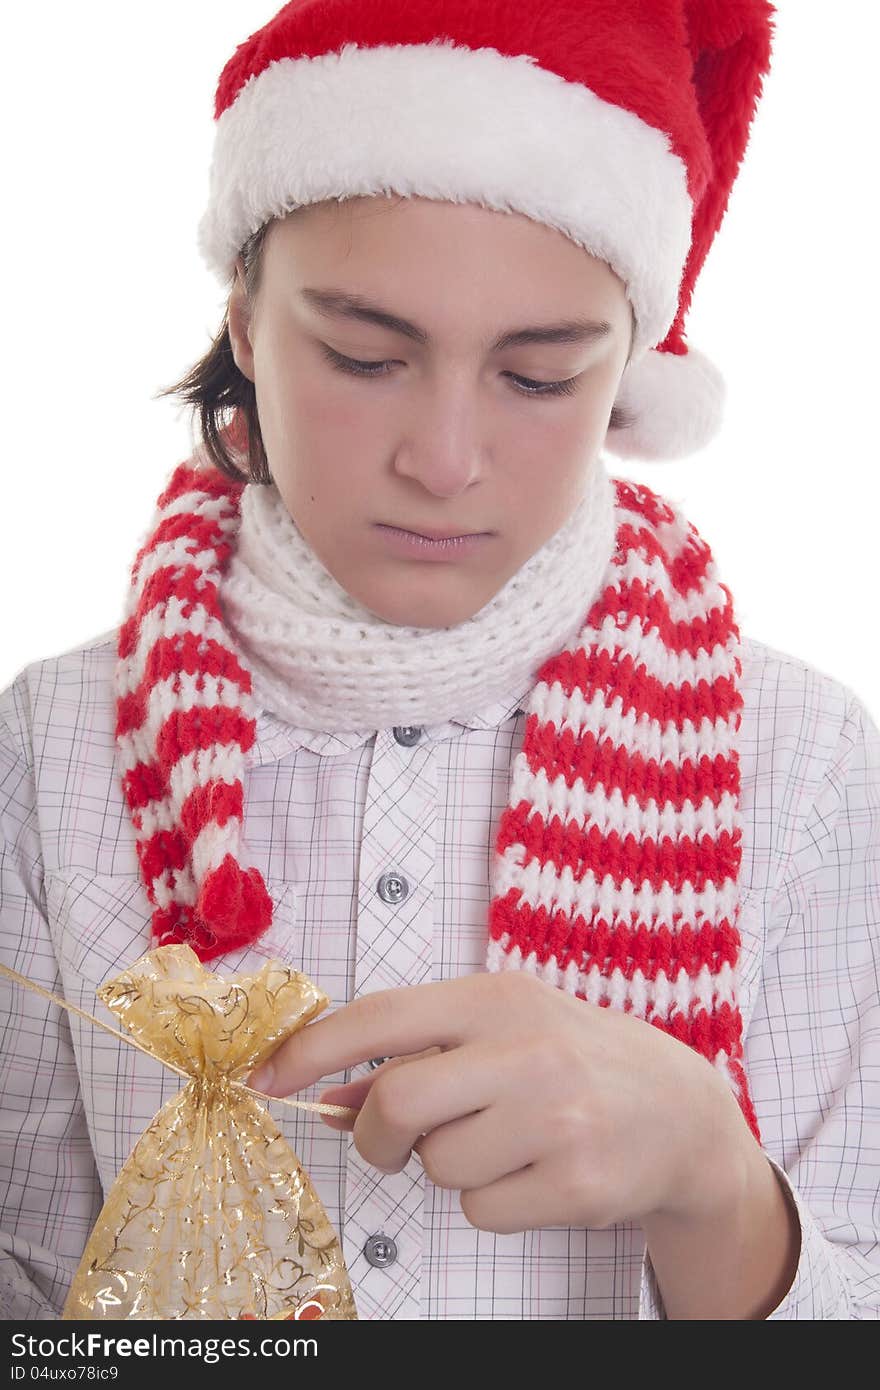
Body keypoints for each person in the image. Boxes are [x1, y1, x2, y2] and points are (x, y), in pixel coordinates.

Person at [1, 0, 878, 1321]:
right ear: (244, 324)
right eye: (364, 354)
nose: (445, 459)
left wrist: (712, 1179)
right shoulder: (50, 744)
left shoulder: (802, 762)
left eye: (538, 376)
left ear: (630, 367)